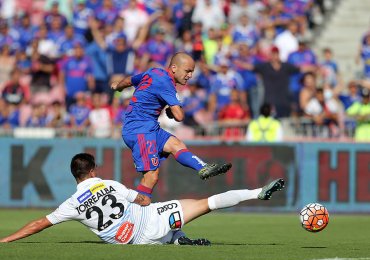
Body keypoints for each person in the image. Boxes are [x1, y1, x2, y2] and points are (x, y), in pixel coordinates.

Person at [0, 153, 285, 244]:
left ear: (76, 176)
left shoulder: (71, 205)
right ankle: (255, 193)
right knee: (206, 203)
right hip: (151, 219)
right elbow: (145, 201)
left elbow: (39, 223)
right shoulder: (110, 184)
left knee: (166, 226)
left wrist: (6, 240)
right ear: (93, 170)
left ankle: (177, 240)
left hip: (135, 242)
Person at [111, 52, 232, 202]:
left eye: (192, 72)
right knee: (151, 176)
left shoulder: (154, 71)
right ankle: (133, 215)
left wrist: (117, 86)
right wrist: (172, 110)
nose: (190, 75)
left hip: (147, 127)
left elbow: (129, 80)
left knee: (176, 144)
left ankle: (203, 168)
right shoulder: (166, 83)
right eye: (187, 71)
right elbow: (180, 116)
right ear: (174, 67)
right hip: (139, 130)